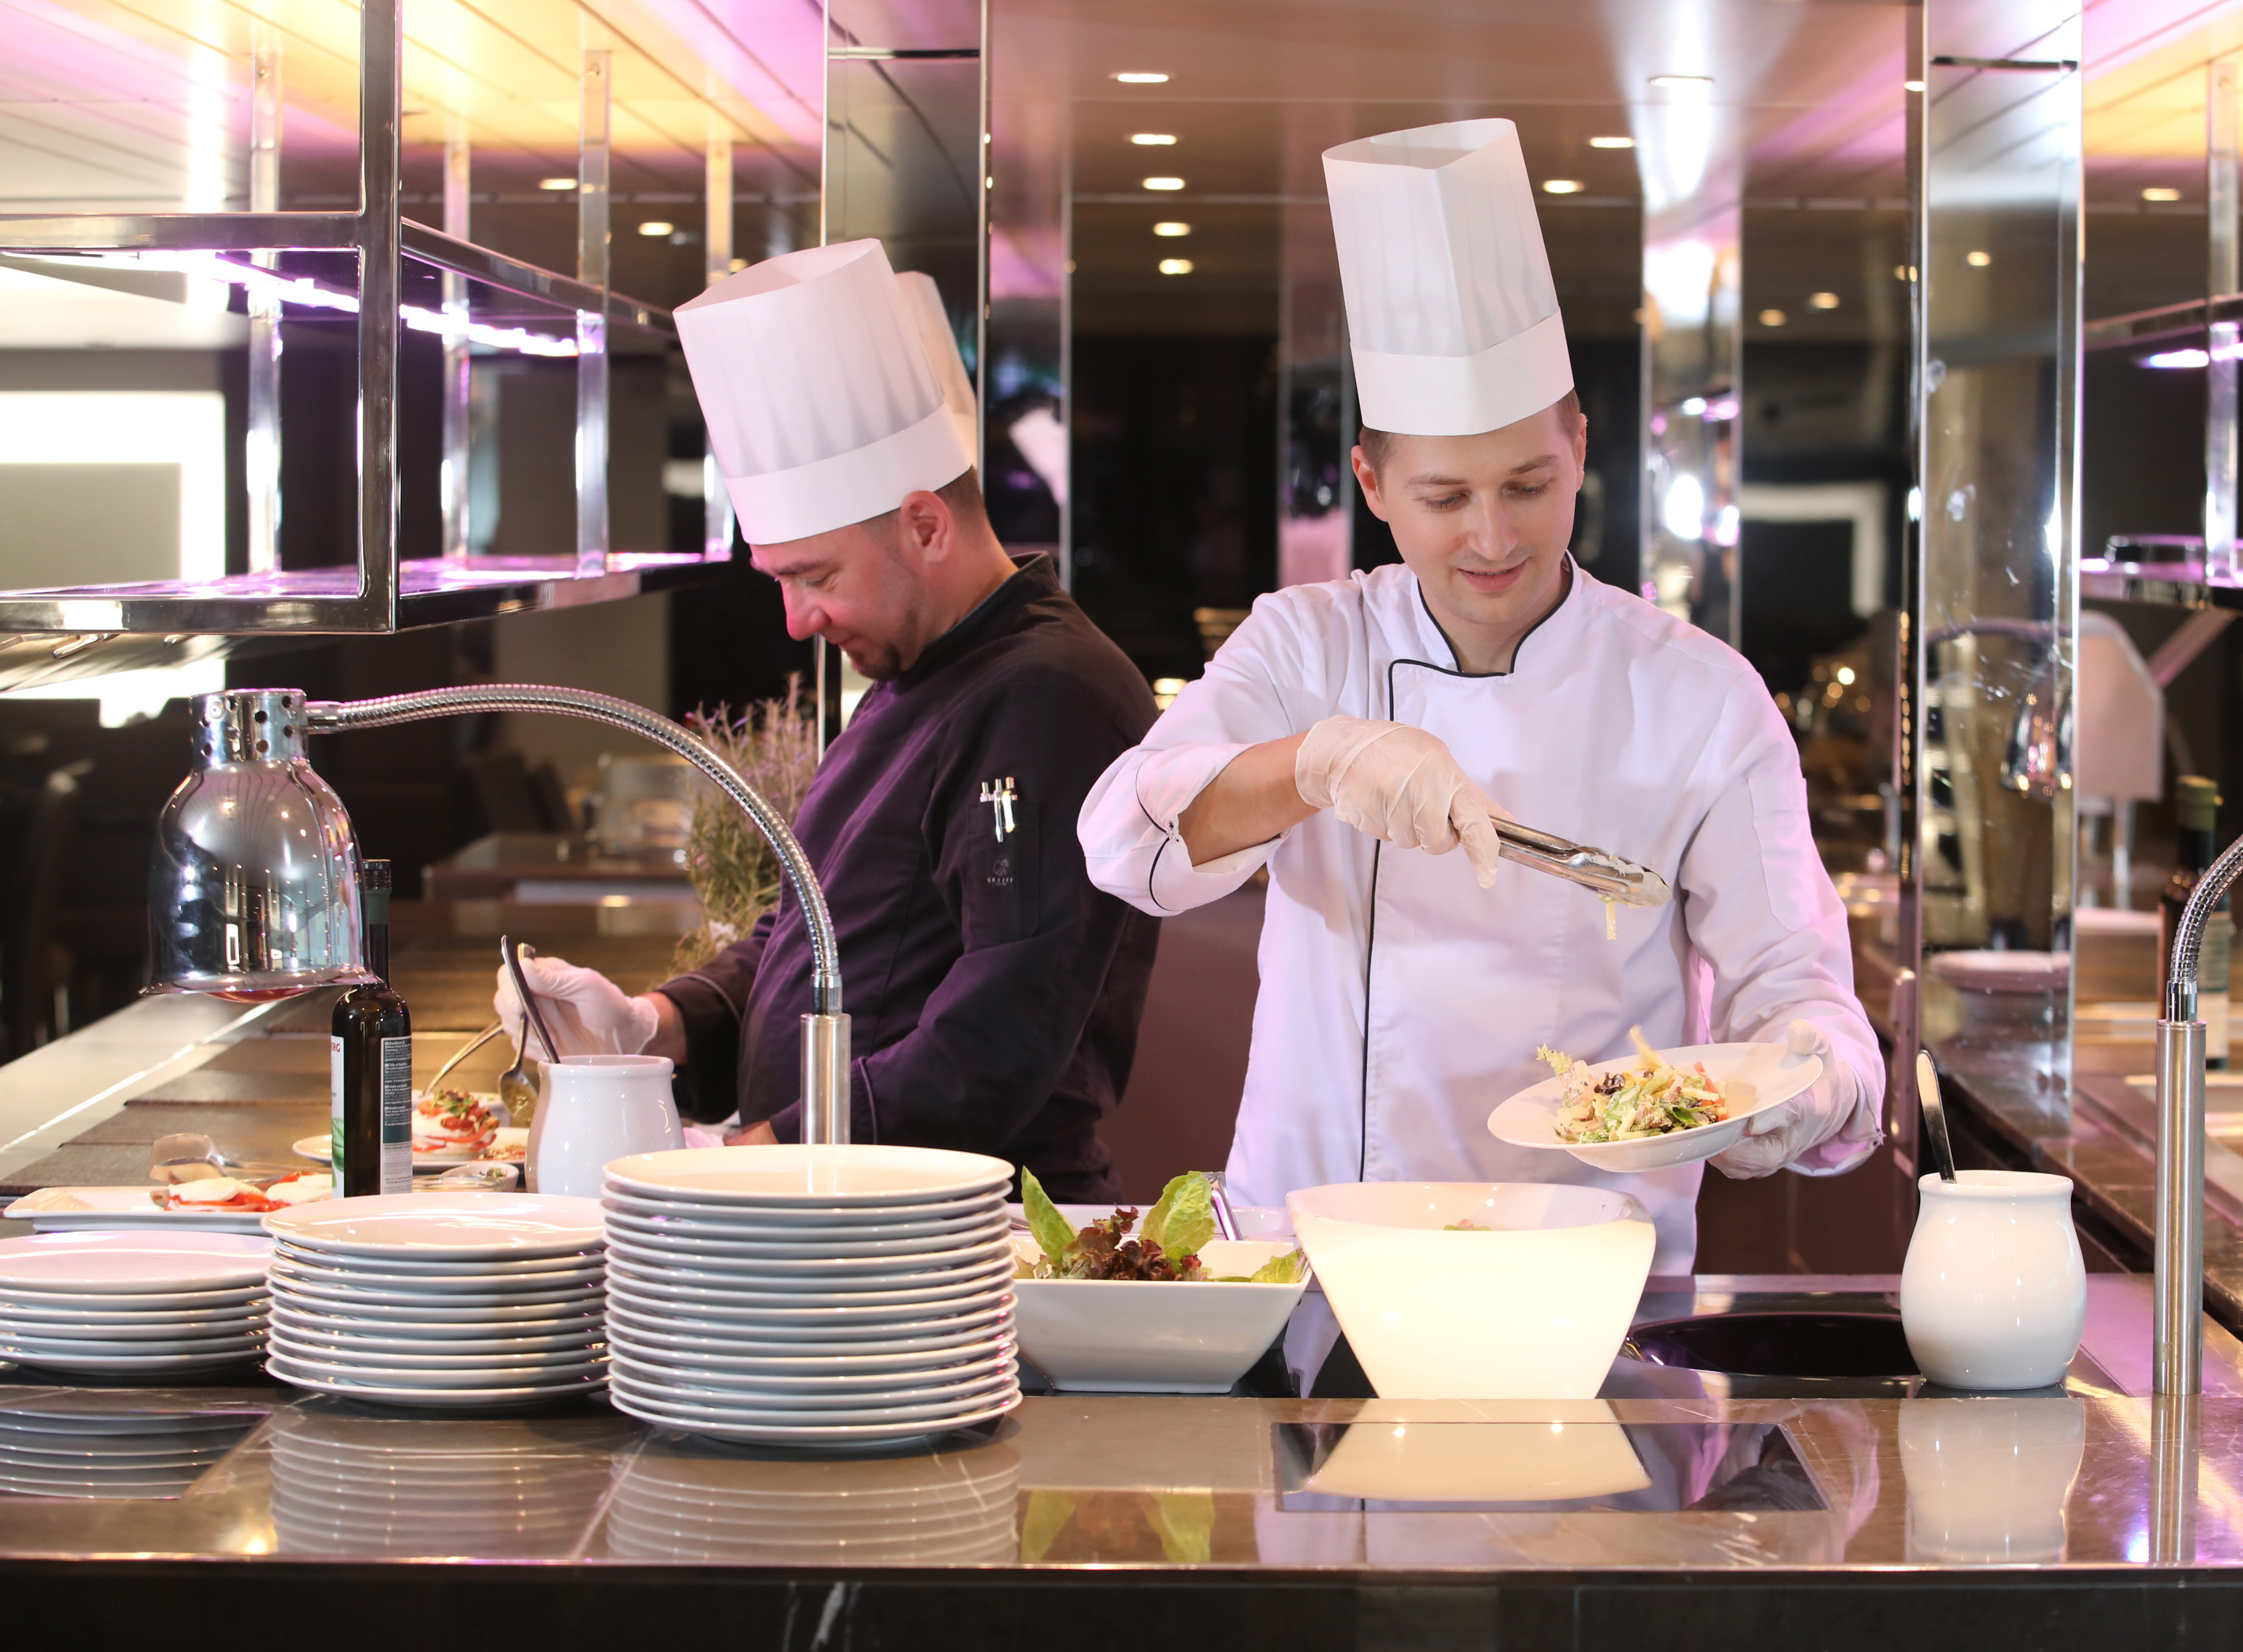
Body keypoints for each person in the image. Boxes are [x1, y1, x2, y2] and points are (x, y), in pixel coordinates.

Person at [1077, 119, 1882, 1269]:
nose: (1494, 535)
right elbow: (1125, 839)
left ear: (1582, 446)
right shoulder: (1309, 646)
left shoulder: (1702, 698)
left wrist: (1809, 1078)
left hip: (1587, 1277)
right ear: (1371, 481)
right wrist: (1315, 765)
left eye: (1530, 482)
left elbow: (1796, 985)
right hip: (1313, 1262)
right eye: (1447, 496)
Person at [499, 240, 1160, 1200]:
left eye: (815, 576)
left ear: (924, 524)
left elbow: (1001, 1032)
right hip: (842, 1203)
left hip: (958, 1230)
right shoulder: (916, 667)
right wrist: (653, 1022)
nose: (797, 619)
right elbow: (808, 933)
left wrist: (738, 1159)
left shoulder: (1048, 698)